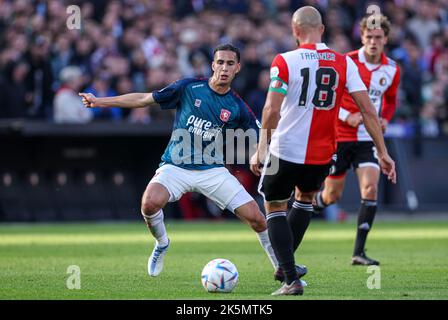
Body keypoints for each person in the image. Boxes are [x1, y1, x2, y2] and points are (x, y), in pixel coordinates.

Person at [79, 43, 305, 282]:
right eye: (220, 62)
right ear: (212, 65)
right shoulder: (189, 87)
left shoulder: (237, 105)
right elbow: (144, 99)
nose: (224, 68)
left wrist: (262, 152)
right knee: (149, 204)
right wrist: (100, 101)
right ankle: (162, 243)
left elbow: (262, 132)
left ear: (237, 68)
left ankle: (287, 273)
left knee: (257, 218)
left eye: (230, 63)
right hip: (176, 166)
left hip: (212, 171)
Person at [250, 7, 397, 296]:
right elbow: (368, 110)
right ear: (322, 29)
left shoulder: (284, 61)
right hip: (323, 153)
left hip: (287, 148)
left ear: (295, 31)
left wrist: (261, 147)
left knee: (275, 206)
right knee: (305, 200)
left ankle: (290, 278)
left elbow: (271, 109)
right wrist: (383, 151)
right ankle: (285, 266)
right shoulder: (344, 63)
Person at [314, 15, 401, 266]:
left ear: (385, 39)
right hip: (340, 136)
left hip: (367, 138)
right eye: (369, 37)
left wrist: (384, 118)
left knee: (371, 188)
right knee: (331, 196)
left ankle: (358, 252)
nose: (373, 41)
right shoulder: (347, 62)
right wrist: (345, 115)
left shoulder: (392, 69)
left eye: (378, 38)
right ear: (362, 37)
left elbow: (391, 100)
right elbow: (328, 96)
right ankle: (302, 211)